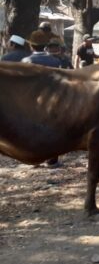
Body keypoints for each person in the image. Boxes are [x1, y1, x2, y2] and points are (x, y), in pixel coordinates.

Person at [22, 31, 63, 167]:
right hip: (52, 99)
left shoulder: (27, 61)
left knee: (32, 130)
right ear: (45, 46)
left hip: (33, 100)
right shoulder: (55, 61)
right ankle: (52, 160)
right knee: (52, 130)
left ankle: (34, 160)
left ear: (31, 46)